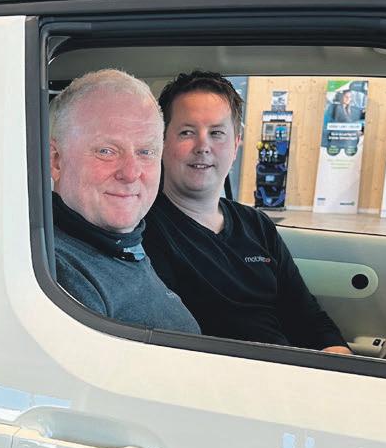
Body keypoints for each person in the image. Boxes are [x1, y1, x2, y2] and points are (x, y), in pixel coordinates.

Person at [144, 70, 352, 353]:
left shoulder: (257, 224)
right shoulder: (145, 230)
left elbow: (308, 318)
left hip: (288, 367)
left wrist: (338, 356)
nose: (203, 146)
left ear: (236, 144)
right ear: (162, 142)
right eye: (187, 132)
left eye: (217, 133)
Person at [48, 69, 200, 334]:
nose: (131, 173)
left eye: (146, 152)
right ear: (56, 160)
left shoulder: (121, 245)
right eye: (106, 151)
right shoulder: (59, 277)